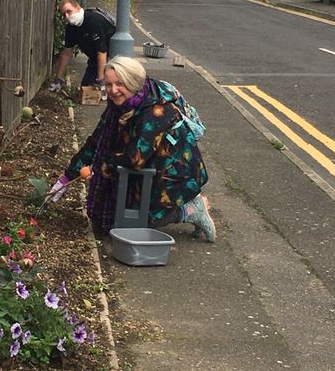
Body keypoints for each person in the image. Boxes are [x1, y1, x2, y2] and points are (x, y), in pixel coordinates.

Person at [49, 56, 216, 242]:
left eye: (120, 84)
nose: (113, 90)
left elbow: (134, 158)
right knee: (120, 220)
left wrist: (104, 166)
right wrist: (67, 177)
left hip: (177, 172)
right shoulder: (119, 106)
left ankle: (191, 210)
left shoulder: (156, 111)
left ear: (134, 83)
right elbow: (95, 142)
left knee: (141, 222)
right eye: (109, 84)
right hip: (151, 166)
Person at [48, 0, 116, 100]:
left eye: (69, 11)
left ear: (77, 7)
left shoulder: (94, 21)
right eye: (64, 14)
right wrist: (58, 78)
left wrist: (101, 80)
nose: (67, 16)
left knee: (111, 85)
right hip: (95, 58)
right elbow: (67, 53)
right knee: (86, 87)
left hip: (112, 55)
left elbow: (102, 51)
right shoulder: (71, 29)